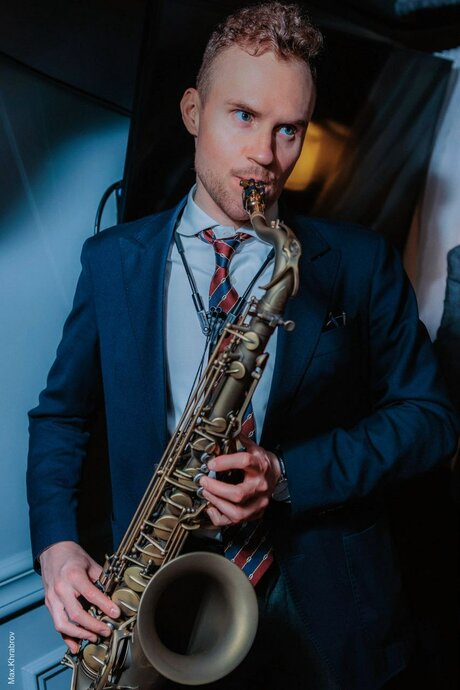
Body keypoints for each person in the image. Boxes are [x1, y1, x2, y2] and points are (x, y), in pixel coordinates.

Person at [27, 3, 459, 689]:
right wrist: (55, 546)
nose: (266, 154)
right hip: (161, 600)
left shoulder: (358, 261)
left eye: (289, 129)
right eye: (243, 116)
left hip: (326, 610)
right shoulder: (111, 260)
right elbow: (61, 417)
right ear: (193, 111)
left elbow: (430, 421)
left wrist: (285, 474)